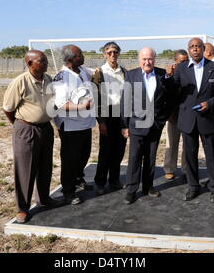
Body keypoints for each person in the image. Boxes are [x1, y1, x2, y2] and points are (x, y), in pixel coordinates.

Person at [166, 38, 214, 203]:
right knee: (190, 155)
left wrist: (210, 103)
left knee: (212, 156)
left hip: (208, 119)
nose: (195, 49)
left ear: (203, 48)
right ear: (189, 50)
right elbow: (173, 92)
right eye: (192, 47)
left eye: (198, 46)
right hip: (188, 120)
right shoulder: (181, 68)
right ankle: (193, 186)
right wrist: (168, 77)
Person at [3, 50, 60, 224]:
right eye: (41, 61)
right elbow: (8, 108)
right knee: (25, 170)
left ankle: (44, 199)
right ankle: (23, 208)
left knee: (45, 167)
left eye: (45, 60)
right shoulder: (20, 82)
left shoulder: (48, 79)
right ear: (29, 64)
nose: (45, 63)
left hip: (45, 128)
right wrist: (21, 126)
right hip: (26, 129)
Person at [121, 47, 174, 204]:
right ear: (139, 60)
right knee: (135, 158)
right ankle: (131, 189)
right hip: (136, 125)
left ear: (154, 59)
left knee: (151, 158)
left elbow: (170, 98)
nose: (147, 62)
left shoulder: (162, 74)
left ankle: (148, 187)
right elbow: (125, 101)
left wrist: (162, 118)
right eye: (144, 59)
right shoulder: (131, 75)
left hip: (155, 125)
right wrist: (124, 125)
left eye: (150, 59)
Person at [52, 45, 96, 205]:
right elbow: (62, 103)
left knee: (84, 154)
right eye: (80, 55)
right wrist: (81, 107)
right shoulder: (62, 78)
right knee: (70, 159)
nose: (83, 57)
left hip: (85, 124)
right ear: (70, 59)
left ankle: (78, 179)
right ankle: (68, 190)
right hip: (71, 126)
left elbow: (96, 71)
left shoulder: (82, 70)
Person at [91, 42, 127, 195]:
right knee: (105, 150)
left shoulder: (124, 71)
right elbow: (96, 98)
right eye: (109, 52)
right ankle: (100, 182)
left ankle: (114, 179)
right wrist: (101, 121)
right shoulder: (99, 72)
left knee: (119, 149)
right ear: (104, 54)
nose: (113, 55)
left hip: (121, 115)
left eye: (115, 52)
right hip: (107, 114)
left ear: (119, 53)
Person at [163, 49, 188, 180]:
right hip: (173, 115)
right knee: (171, 143)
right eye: (182, 61)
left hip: (187, 115)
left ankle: (186, 168)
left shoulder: (191, 73)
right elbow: (165, 94)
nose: (185, 63)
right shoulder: (169, 75)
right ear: (176, 62)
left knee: (187, 145)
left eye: (187, 60)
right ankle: (169, 168)